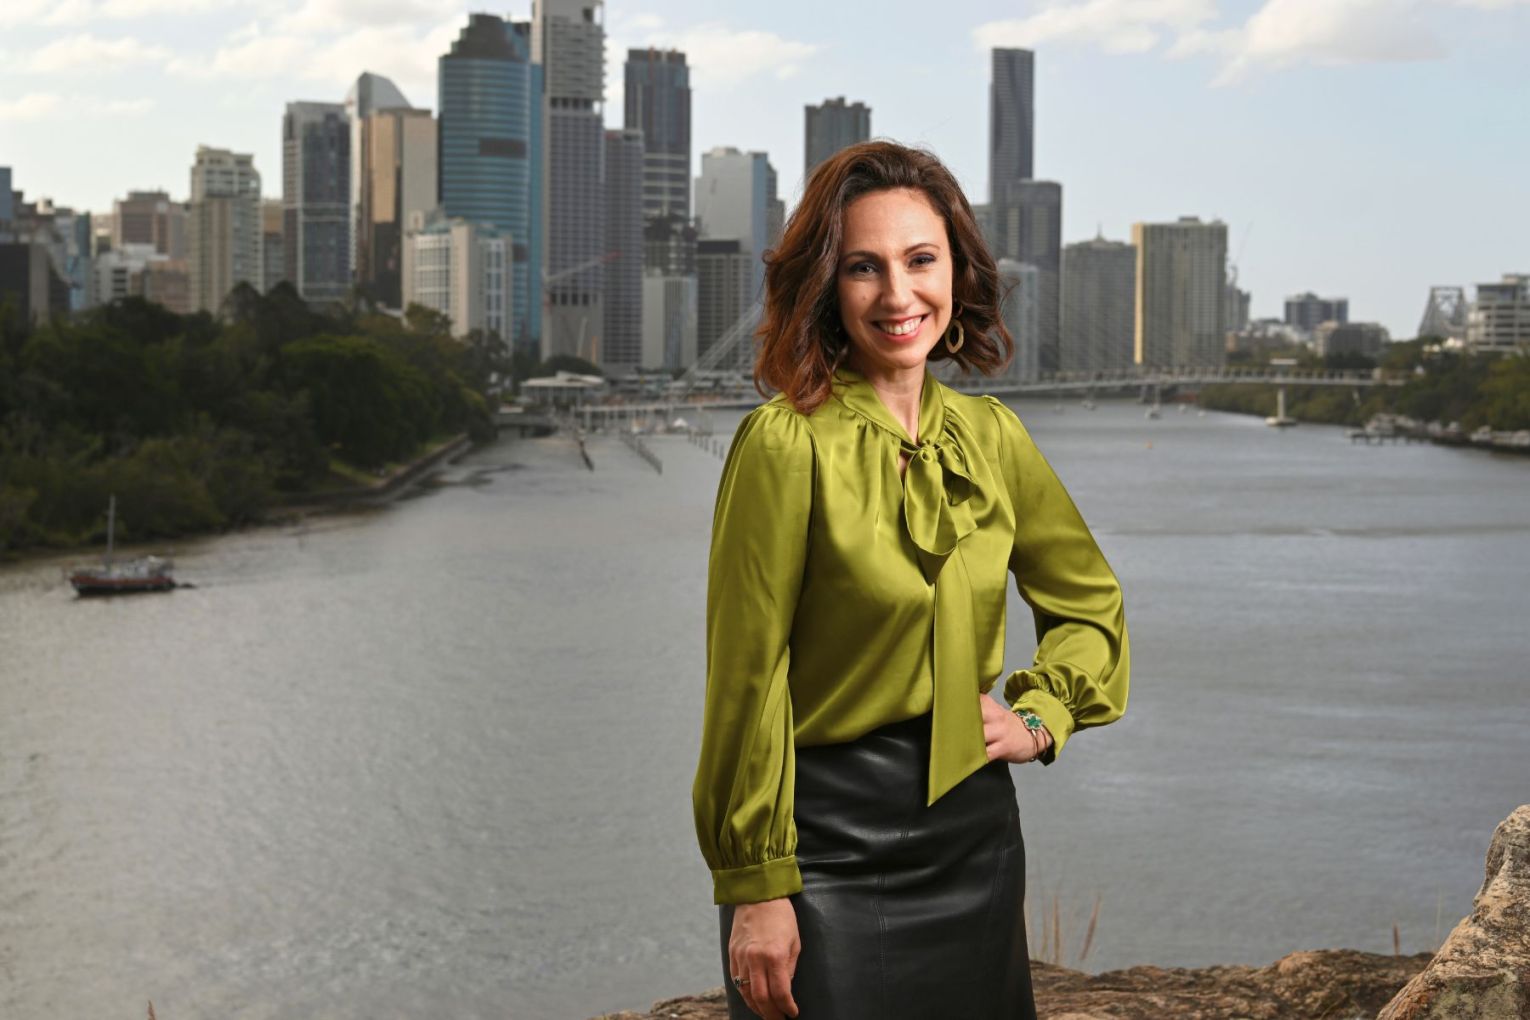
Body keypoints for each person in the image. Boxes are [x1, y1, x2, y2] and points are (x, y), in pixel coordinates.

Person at [692, 141, 1130, 1020]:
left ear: (956, 274)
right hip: (823, 847)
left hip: (973, 833)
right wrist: (755, 883)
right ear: (826, 286)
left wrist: (1041, 717)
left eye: (920, 260)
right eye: (864, 267)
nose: (898, 295)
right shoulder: (785, 446)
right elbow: (747, 680)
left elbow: (1089, 602)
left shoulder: (994, 435)